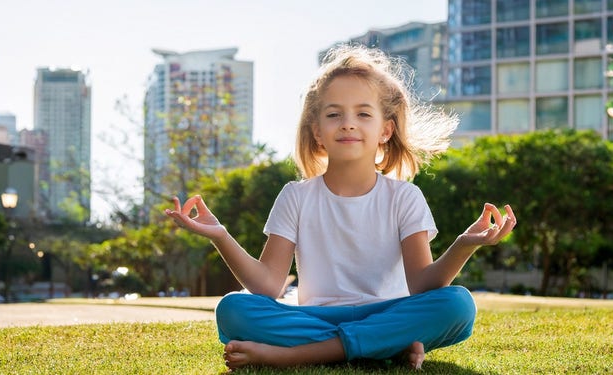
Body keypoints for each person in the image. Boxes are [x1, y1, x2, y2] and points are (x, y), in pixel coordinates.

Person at [164, 45, 516, 371]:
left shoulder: (405, 197)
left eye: (363, 113)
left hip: (385, 312)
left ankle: (296, 356)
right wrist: (220, 236)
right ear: (317, 132)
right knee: (233, 310)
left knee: (457, 305)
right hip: (316, 318)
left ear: (385, 130)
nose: (348, 123)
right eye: (334, 114)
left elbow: (423, 286)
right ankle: (385, 346)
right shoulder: (295, 196)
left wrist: (464, 244)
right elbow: (268, 286)